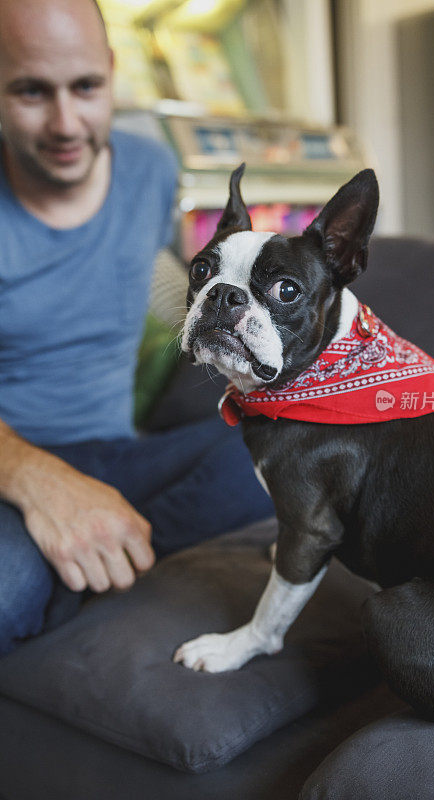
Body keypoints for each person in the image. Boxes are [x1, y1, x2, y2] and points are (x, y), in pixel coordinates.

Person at [0, 0, 273, 656]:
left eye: (86, 86)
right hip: (9, 466)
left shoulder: (150, 168)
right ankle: (62, 566)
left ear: (112, 73)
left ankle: (89, 557)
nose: (67, 123)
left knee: (278, 452)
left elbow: (152, 286)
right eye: (31, 91)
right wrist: (39, 481)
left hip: (120, 456)